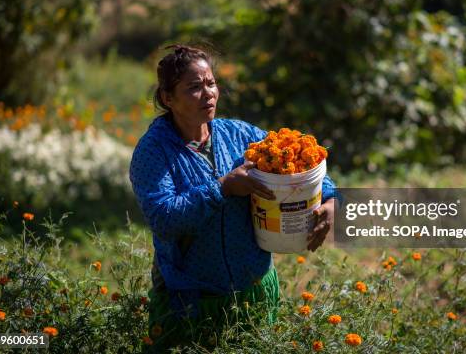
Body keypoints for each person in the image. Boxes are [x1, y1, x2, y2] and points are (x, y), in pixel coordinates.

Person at [129, 44, 338, 351]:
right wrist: (222, 188)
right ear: (167, 98)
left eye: (211, 83)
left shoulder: (237, 134)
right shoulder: (153, 152)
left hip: (253, 292)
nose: (208, 93)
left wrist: (332, 200)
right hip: (190, 302)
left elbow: (300, 162)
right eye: (194, 87)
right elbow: (163, 218)